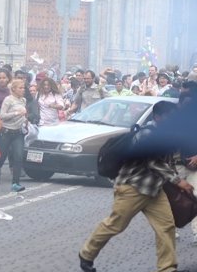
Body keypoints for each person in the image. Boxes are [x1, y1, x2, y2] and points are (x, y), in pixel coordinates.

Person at [79, 101, 193, 272]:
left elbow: (169, 160)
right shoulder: (147, 134)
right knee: (115, 225)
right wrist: (178, 181)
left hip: (154, 189)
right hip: (133, 187)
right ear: (158, 117)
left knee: (166, 226)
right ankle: (86, 254)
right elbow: (153, 162)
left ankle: (167, 268)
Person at [0, 79, 27, 192]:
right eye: (20, 88)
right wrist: (17, 113)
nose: (23, 90)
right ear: (13, 89)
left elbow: (23, 115)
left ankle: (16, 183)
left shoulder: (23, 100)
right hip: (6, 132)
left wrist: (25, 121)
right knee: (1, 157)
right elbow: (2, 116)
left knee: (18, 157)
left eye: (23, 88)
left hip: (18, 132)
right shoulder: (8, 100)